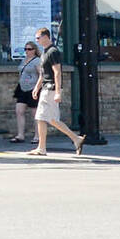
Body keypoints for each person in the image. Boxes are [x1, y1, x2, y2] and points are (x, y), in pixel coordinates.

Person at [28, 26, 85, 156]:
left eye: (38, 38)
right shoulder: (44, 53)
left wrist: (58, 91)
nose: (37, 41)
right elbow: (43, 74)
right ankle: (44, 147)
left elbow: (57, 72)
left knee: (46, 118)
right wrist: (37, 87)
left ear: (46, 37)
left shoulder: (53, 51)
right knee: (45, 118)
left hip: (51, 89)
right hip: (45, 88)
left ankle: (74, 139)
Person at [12, 40, 42, 143]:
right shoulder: (24, 60)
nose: (27, 51)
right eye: (25, 49)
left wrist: (37, 88)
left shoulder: (37, 60)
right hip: (22, 88)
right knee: (19, 111)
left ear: (34, 50)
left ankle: (37, 136)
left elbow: (41, 74)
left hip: (33, 88)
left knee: (35, 113)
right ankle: (20, 135)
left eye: (29, 49)